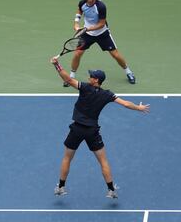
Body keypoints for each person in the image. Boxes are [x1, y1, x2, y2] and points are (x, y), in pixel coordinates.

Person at [50, 56, 150, 198]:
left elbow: (68, 79)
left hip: (76, 129)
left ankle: (60, 187)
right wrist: (138, 108)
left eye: (91, 76)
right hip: (92, 132)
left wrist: (57, 65)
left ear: (96, 80)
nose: (89, 77)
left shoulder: (84, 88)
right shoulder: (107, 94)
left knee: (67, 158)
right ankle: (111, 190)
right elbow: (126, 104)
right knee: (103, 161)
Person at [64, 0, 136, 87]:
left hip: (102, 33)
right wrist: (76, 23)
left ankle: (128, 72)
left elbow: (101, 24)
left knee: (115, 54)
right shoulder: (82, 3)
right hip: (87, 34)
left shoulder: (101, 6)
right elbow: (79, 12)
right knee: (77, 54)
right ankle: (71, 76)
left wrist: (86, 28)